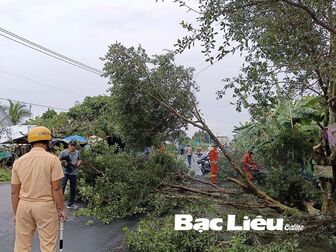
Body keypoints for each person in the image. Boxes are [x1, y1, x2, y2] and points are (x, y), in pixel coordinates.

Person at [11, 126, 66, 252]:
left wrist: (15, 213)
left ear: (31, 142)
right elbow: (56, 189)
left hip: (23, 207)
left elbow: (14, 191)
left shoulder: (19, 161)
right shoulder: (53, 160)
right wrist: (61, 209)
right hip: (45, 207)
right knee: (47, 245)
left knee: (22, 246)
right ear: (47, 142)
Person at [59, 140, 82, 209]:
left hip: (74, 173)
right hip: (65, 173)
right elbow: (57, 160)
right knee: (61, 188)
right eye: (71, 145)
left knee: (73, 189)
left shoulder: (77, 152)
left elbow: (79, 159)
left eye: (73, 145)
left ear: (75, 146)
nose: (72, 147)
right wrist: (63, 162)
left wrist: (79, 163)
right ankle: (59, 205)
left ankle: (70, 204)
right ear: (68, 145)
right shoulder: (63, 152)